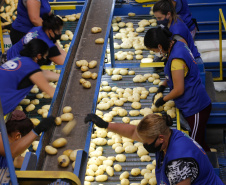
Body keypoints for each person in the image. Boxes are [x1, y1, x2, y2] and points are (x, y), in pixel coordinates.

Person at [85, 113, 224, 185]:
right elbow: (133, 132)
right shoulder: (171, 134)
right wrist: (105, 124)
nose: (144, 144)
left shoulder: (178, 165)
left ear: (160, 138)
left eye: (146, 142)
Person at [144, 27, 211, 152]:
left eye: (153, 50)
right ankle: (210, 166)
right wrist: (162, 86)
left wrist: (163, 100)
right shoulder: (177, 44)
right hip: (191, 102)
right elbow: (175, 75)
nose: (154, 53)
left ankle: (205, 169)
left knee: (194, 145)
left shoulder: (176, 60)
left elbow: (179, 89)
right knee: (200, 142)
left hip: (196, 107)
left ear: (159, 46)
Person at [0, 39, 55, 115]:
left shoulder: (18, 59)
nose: (45, 59)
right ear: (39, 56)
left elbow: (41, 73)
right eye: (45, 56)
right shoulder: (31, 66)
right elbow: (51, 92)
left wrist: (61, 76)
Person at [6, 13, 66, 81]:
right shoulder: (47, 45)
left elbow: (59, 48)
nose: (60, 33)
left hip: (8, 56)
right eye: (58, 31)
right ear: (50, 31)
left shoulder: (38, 28)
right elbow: (64, 62)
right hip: (14, 67)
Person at [153, 0, 203, 66]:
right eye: (156, 18)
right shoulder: (173, 21)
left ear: (168, 14)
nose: (158, 21)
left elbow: (184, 54)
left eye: (159, 18)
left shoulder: (177, 33)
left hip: (193, 64)